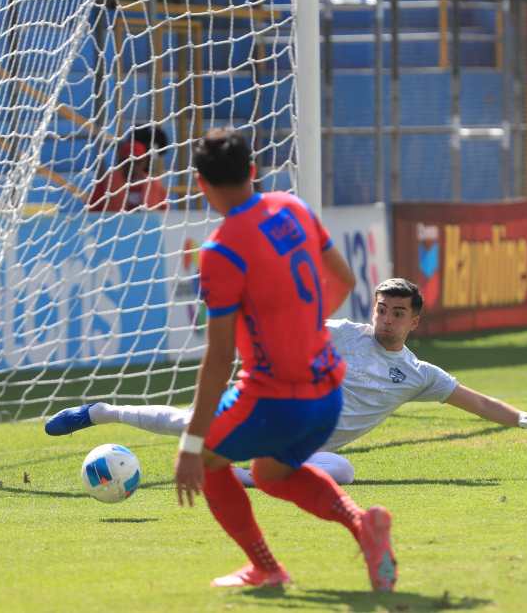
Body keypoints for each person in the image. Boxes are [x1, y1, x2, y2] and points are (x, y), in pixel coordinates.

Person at [132, 127, 396, 591]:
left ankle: (266, 568)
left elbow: (217, 360)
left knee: (213, 460)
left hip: (275, 397)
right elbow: (344, 279)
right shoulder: (293, 208)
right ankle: (362, 524)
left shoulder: (220, 251)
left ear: (200, 184)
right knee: (271, 474)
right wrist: (304, 327)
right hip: (328, 392)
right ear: (254, 171)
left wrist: (191, 446)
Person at [46, 278, 527, 486]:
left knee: (340, 471)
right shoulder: (344, 334)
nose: (387, 319)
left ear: (415, 322)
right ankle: (99, 412)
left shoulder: (418, 375)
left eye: (398, 314)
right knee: (191, 423)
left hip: (307, 447)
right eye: (382, 309)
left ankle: (229, 476)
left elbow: (477, 402)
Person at [87, 124, 169, 212]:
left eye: (137, 162)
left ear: (145, 162)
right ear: (120, 162)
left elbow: (164, 214)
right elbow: (92, 212)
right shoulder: (106, 184)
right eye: (127, 162)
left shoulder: (155, 185)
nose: (132, 166)